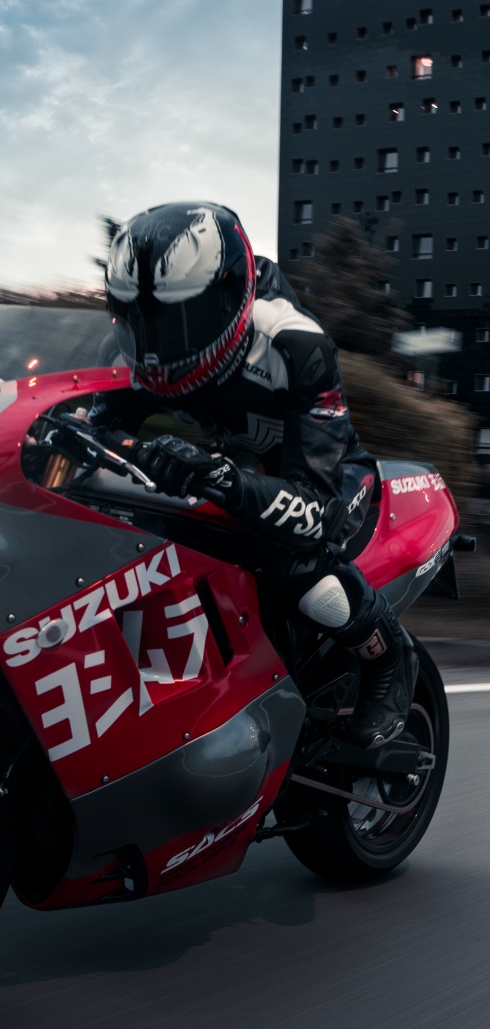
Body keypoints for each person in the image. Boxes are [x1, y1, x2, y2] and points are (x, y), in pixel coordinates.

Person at [86, 201, 417, 749]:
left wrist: (221, 476)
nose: (159, 345)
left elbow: (314, 503)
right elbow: (92, 432)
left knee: (296, 556)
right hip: (231, 463)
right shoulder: (127, 351)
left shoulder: (295, 343)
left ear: (229, 299)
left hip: (325, 476)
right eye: (141, 319)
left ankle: (388, 654)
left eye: (178, 322)